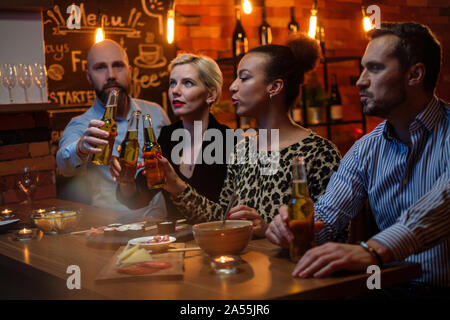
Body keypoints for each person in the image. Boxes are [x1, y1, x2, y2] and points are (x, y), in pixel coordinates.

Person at [266, 22, 449, 297]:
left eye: (374, 68)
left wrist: (372, 250)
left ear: (415, 74)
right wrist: (296, 228)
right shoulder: (366, 148)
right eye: (363, 68)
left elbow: (443, 204)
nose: (360, 80)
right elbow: (327, 216)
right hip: (390, 288)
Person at [157, 35, 341, 237]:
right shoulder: (243, 150)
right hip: (248, 267)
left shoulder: (319, 152)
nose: (232, 86)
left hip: (292, 268)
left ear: (275, 87)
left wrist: (266, 230)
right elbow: (222, 220)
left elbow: (334, 234)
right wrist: (176, 186)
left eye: (244, 78)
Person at [56, 39, 169, 218]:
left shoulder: (155, 113)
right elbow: (64, 165)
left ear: (130, 71)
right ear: (89, 77)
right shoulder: (81, 124)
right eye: (100, 67)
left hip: (161, 231)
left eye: (118, 65)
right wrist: (81, 147)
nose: (111, 75)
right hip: (112, 233)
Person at [111, 53, 229, 218]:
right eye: (172, 83)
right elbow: (139, 199)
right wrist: (126, 181)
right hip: (173, 242)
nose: (175, 90)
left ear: (211, 95)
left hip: (216, 241)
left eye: (187, 83)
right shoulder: (168, 136)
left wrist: (176, 185)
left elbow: (228, 216)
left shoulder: (229, 141)